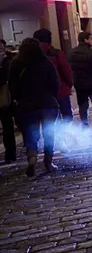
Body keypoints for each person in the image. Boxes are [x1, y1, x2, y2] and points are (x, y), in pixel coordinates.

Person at [9, 38, 60, 176]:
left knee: (32, 134)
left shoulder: (16, 64)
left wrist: (19, 99)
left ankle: (32, 158)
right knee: (49, 133)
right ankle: (48, 162)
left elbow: (13, 87)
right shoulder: (46, 63)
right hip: (47, 104)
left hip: (27, 106)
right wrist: (52, 97)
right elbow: (55, 83)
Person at [33, 29, 74, 122]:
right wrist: (69, 84)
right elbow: (66, 70)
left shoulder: (31, 56)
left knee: (50, 119)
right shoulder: (57, 53)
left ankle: (55, 135)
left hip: (42, 94)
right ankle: (68, 134)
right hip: (61, 89)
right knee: (67, 114)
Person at [69, 32, 92, 129]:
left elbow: (69, 69)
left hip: (80, 83)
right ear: (86, 40)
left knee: (82, 107)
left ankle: (85, 128)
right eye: (90, 38)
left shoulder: (71, 53)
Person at [0, 40, 16, 163]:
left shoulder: (10, 60)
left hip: (6, 99)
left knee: (8, 128)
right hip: (5, 97)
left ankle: (10, 154)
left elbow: (9, 77)